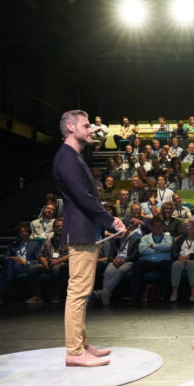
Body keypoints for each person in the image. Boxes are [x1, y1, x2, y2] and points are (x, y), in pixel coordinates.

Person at [52, 109, 126, 367]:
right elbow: (84, 198)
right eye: (86, 125)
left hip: (87, 230)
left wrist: (105, 221)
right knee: (78, 292)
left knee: (82, 291)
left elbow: (87, 197)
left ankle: (81, 344)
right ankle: (74, 352)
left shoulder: (74, 157)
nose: (91, 129)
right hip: (81, 230)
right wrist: (111, 220)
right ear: (70, 127)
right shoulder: (67, 158)